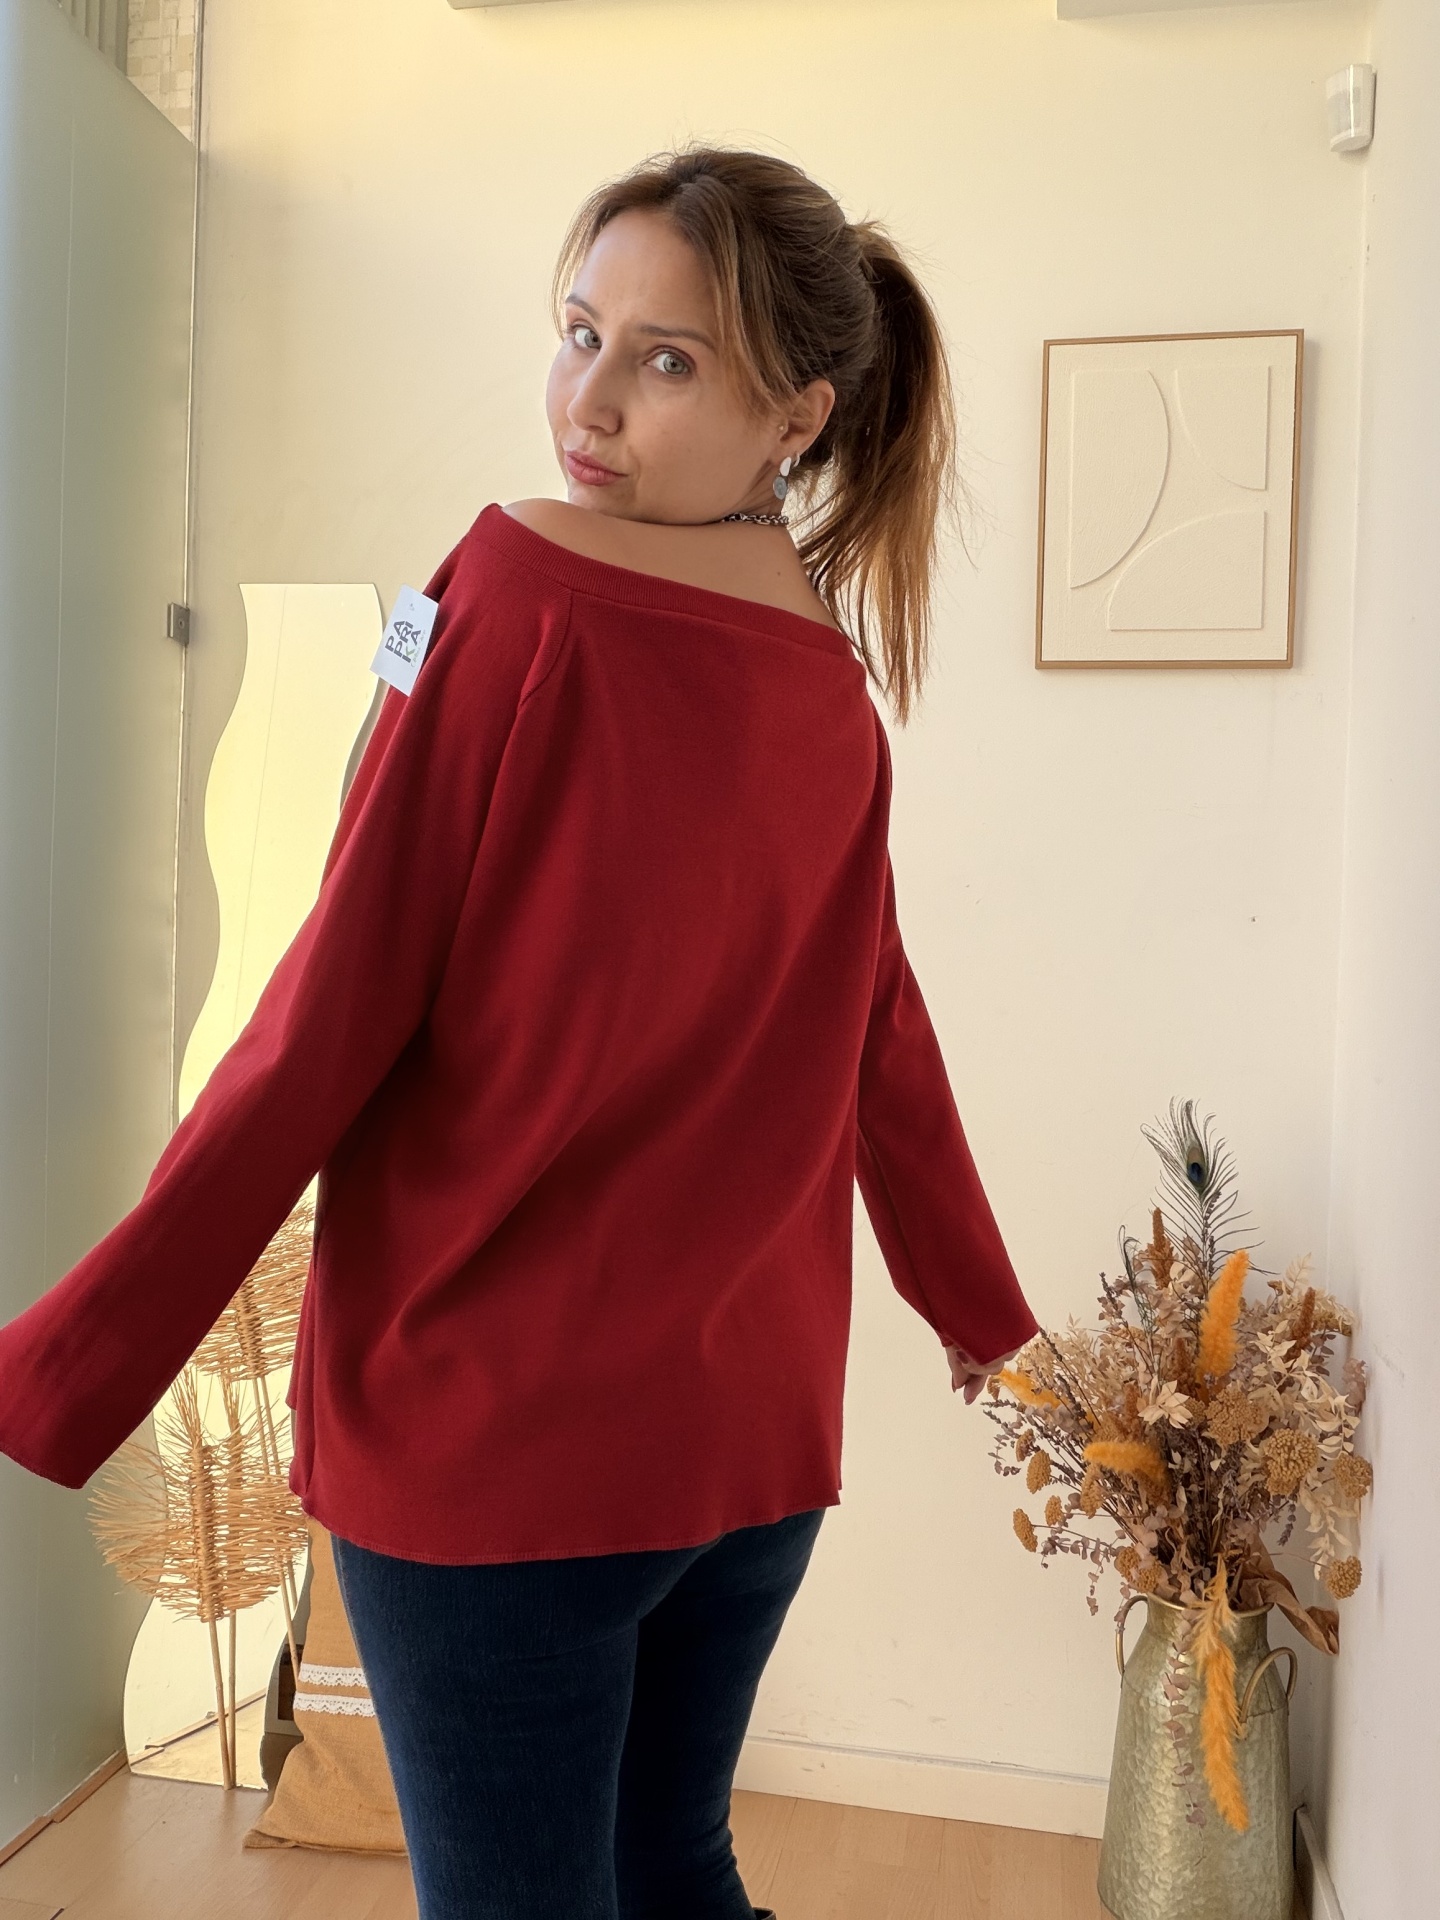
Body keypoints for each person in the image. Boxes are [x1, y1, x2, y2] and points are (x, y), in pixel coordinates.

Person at [0, 148, 1038, 1919]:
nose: (590, 401)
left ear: (798, 415)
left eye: (667, 360)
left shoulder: (510, 590)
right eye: (580, 333)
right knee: (671, 1869)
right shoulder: (831, 679)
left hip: (496, 1436)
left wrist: (66, 1364)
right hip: (747, 1444)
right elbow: (882, 1023)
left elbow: (327, 1012)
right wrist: (975, 1304)